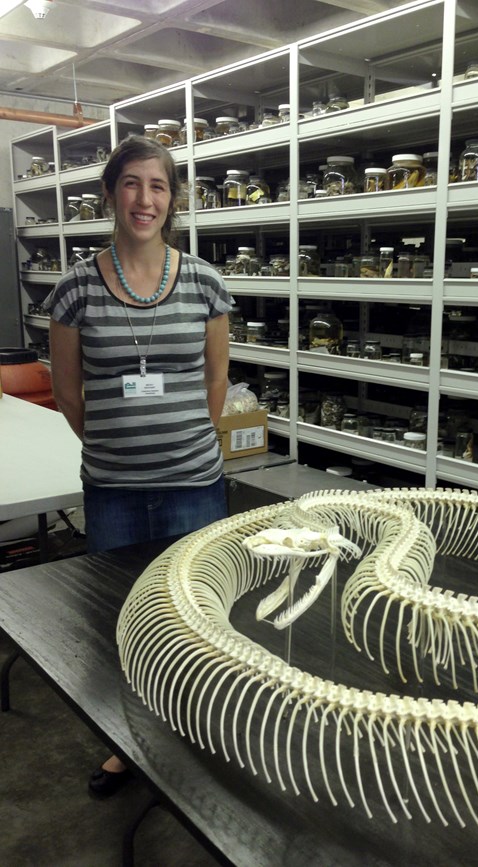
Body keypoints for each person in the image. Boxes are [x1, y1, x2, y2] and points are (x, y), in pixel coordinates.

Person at [44, 135, 233, 797]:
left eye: (157, 186)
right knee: (122, 619)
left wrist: (186, 446)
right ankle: (128, 740)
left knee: (195, 614)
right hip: (115, 490)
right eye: (130, 184)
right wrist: (120, 448)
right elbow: (67, 392)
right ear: (110, 194)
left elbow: (216, 382)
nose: (144, 199)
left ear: (173, 198)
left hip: (194, 486)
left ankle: (195, 735)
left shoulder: (205, 281)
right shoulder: (74, 288)